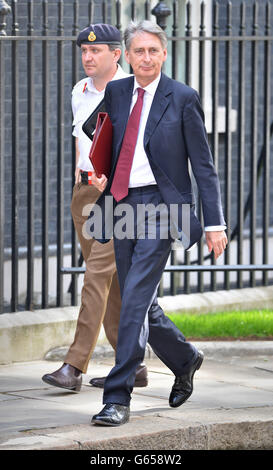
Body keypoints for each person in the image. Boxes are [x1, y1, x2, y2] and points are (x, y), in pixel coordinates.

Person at [90, 20, 228, 426]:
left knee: (132, 299)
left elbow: (203, 166)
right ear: (127, 56)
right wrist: (98, 169)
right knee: (142, 302)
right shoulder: (116, 91)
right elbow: (101, 134)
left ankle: (117, 397)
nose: (146, 58)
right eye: (139, 51)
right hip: (121, 204)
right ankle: (185, 358)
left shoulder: (182, 97)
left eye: (154, 50)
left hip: (163, 208)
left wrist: (214, 223)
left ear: (164, 54)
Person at [42, 24, 148, 393]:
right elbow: (80, 140)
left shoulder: (133, 94)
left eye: (96, 51)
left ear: (116, 55)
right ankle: (133, 365)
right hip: (85, 192)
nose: (87, 57)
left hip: (117, 196)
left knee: (96, 275)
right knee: (112, 283)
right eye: (84, 52)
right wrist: (80, 183)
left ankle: (73, 366)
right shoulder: (79, 90)